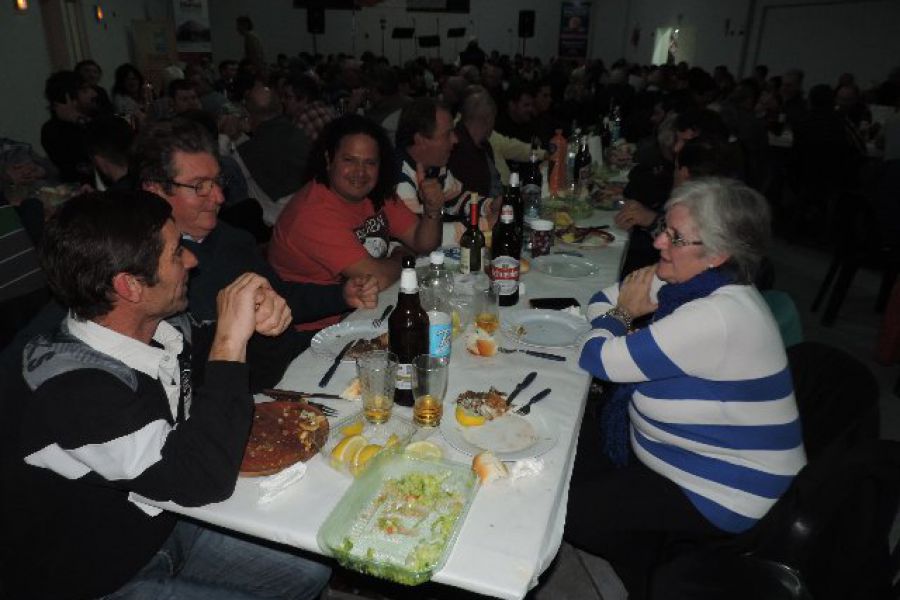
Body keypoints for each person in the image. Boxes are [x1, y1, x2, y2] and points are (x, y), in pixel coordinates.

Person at [0, 190, 331, 599]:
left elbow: (246, 377)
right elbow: (203, 480)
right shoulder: (72, 391)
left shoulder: (160, 328)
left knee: (308, 569)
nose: (192, 260)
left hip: (164, 525)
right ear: (130, 286)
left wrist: (265, 328)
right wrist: (229, 343)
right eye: (176, 254)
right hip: (95, 577)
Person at [565, 178, 806, 600]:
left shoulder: (716, 316)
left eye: (674, 237)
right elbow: (601, 298)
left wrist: (621, 316)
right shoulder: (694, 281)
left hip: (724, 492)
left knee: (572, 512)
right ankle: (650, 547)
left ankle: (654, 570)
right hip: (684, 459)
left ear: (718, 253)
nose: (657, 241)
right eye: (663, 227)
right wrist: (619, 314)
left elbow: (596, 356)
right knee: (568, 453)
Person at [135, 118, 376, 333]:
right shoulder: (147, 270)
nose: (219, 197)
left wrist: (343, 295)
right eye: (199, 186)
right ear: (155, 191)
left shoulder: (231, 239)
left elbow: (280, 295)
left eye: (218, 181)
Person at [268, 114, 443, 330]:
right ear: (328, 159)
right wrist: (402, 256)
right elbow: (376, 278)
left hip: (365, 309)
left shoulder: (374, 193)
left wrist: (432, 211)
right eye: (349, 160)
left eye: (370, 163)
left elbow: (423, 242)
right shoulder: (312, 213)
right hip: (317, 331)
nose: (360, 172)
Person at [41, 70, 98, 183]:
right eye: (85, 90)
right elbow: (81, 168)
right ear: (68, 98)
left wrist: (82, 121)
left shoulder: (97, 115)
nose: (94, 94)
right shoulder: (52, 131)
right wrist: (78, 123)